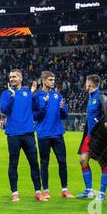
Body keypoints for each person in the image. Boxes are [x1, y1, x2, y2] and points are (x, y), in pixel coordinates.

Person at [0, 69, 47, 202]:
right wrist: (12, 96)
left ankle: (38, 192)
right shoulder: (6, 94)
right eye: (10, 77)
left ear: (20, 78)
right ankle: (14, 192)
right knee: (13, 163)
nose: (12, 79)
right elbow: (4, 110)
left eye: (14, 76)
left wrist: (33, 116)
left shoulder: (28, 93)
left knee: (34, 163)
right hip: (13, 134)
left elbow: (37, 110)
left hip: (28, 133)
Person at [77, 75, 107, 201]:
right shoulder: (90, 97)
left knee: (103, 164)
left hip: (101, 136)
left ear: (89, 84)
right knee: (83, 160)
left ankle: (102, 192)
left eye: (86, 83)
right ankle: (89, 190)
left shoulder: (105, 97)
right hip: (89, 136)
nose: (85, 85)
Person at [33, 71, 74, 199]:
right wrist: (44, 104)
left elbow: (64, 115)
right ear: (44, 81)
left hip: (57, 133)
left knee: (62, 161)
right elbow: (35, 116)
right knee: (44, 163)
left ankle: (65, 190)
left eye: (53, 79)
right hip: (43, 134)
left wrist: (63, 109)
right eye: (50, 79)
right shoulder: (36, 96)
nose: (53, 81)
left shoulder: (58, 96)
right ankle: (46, 190)